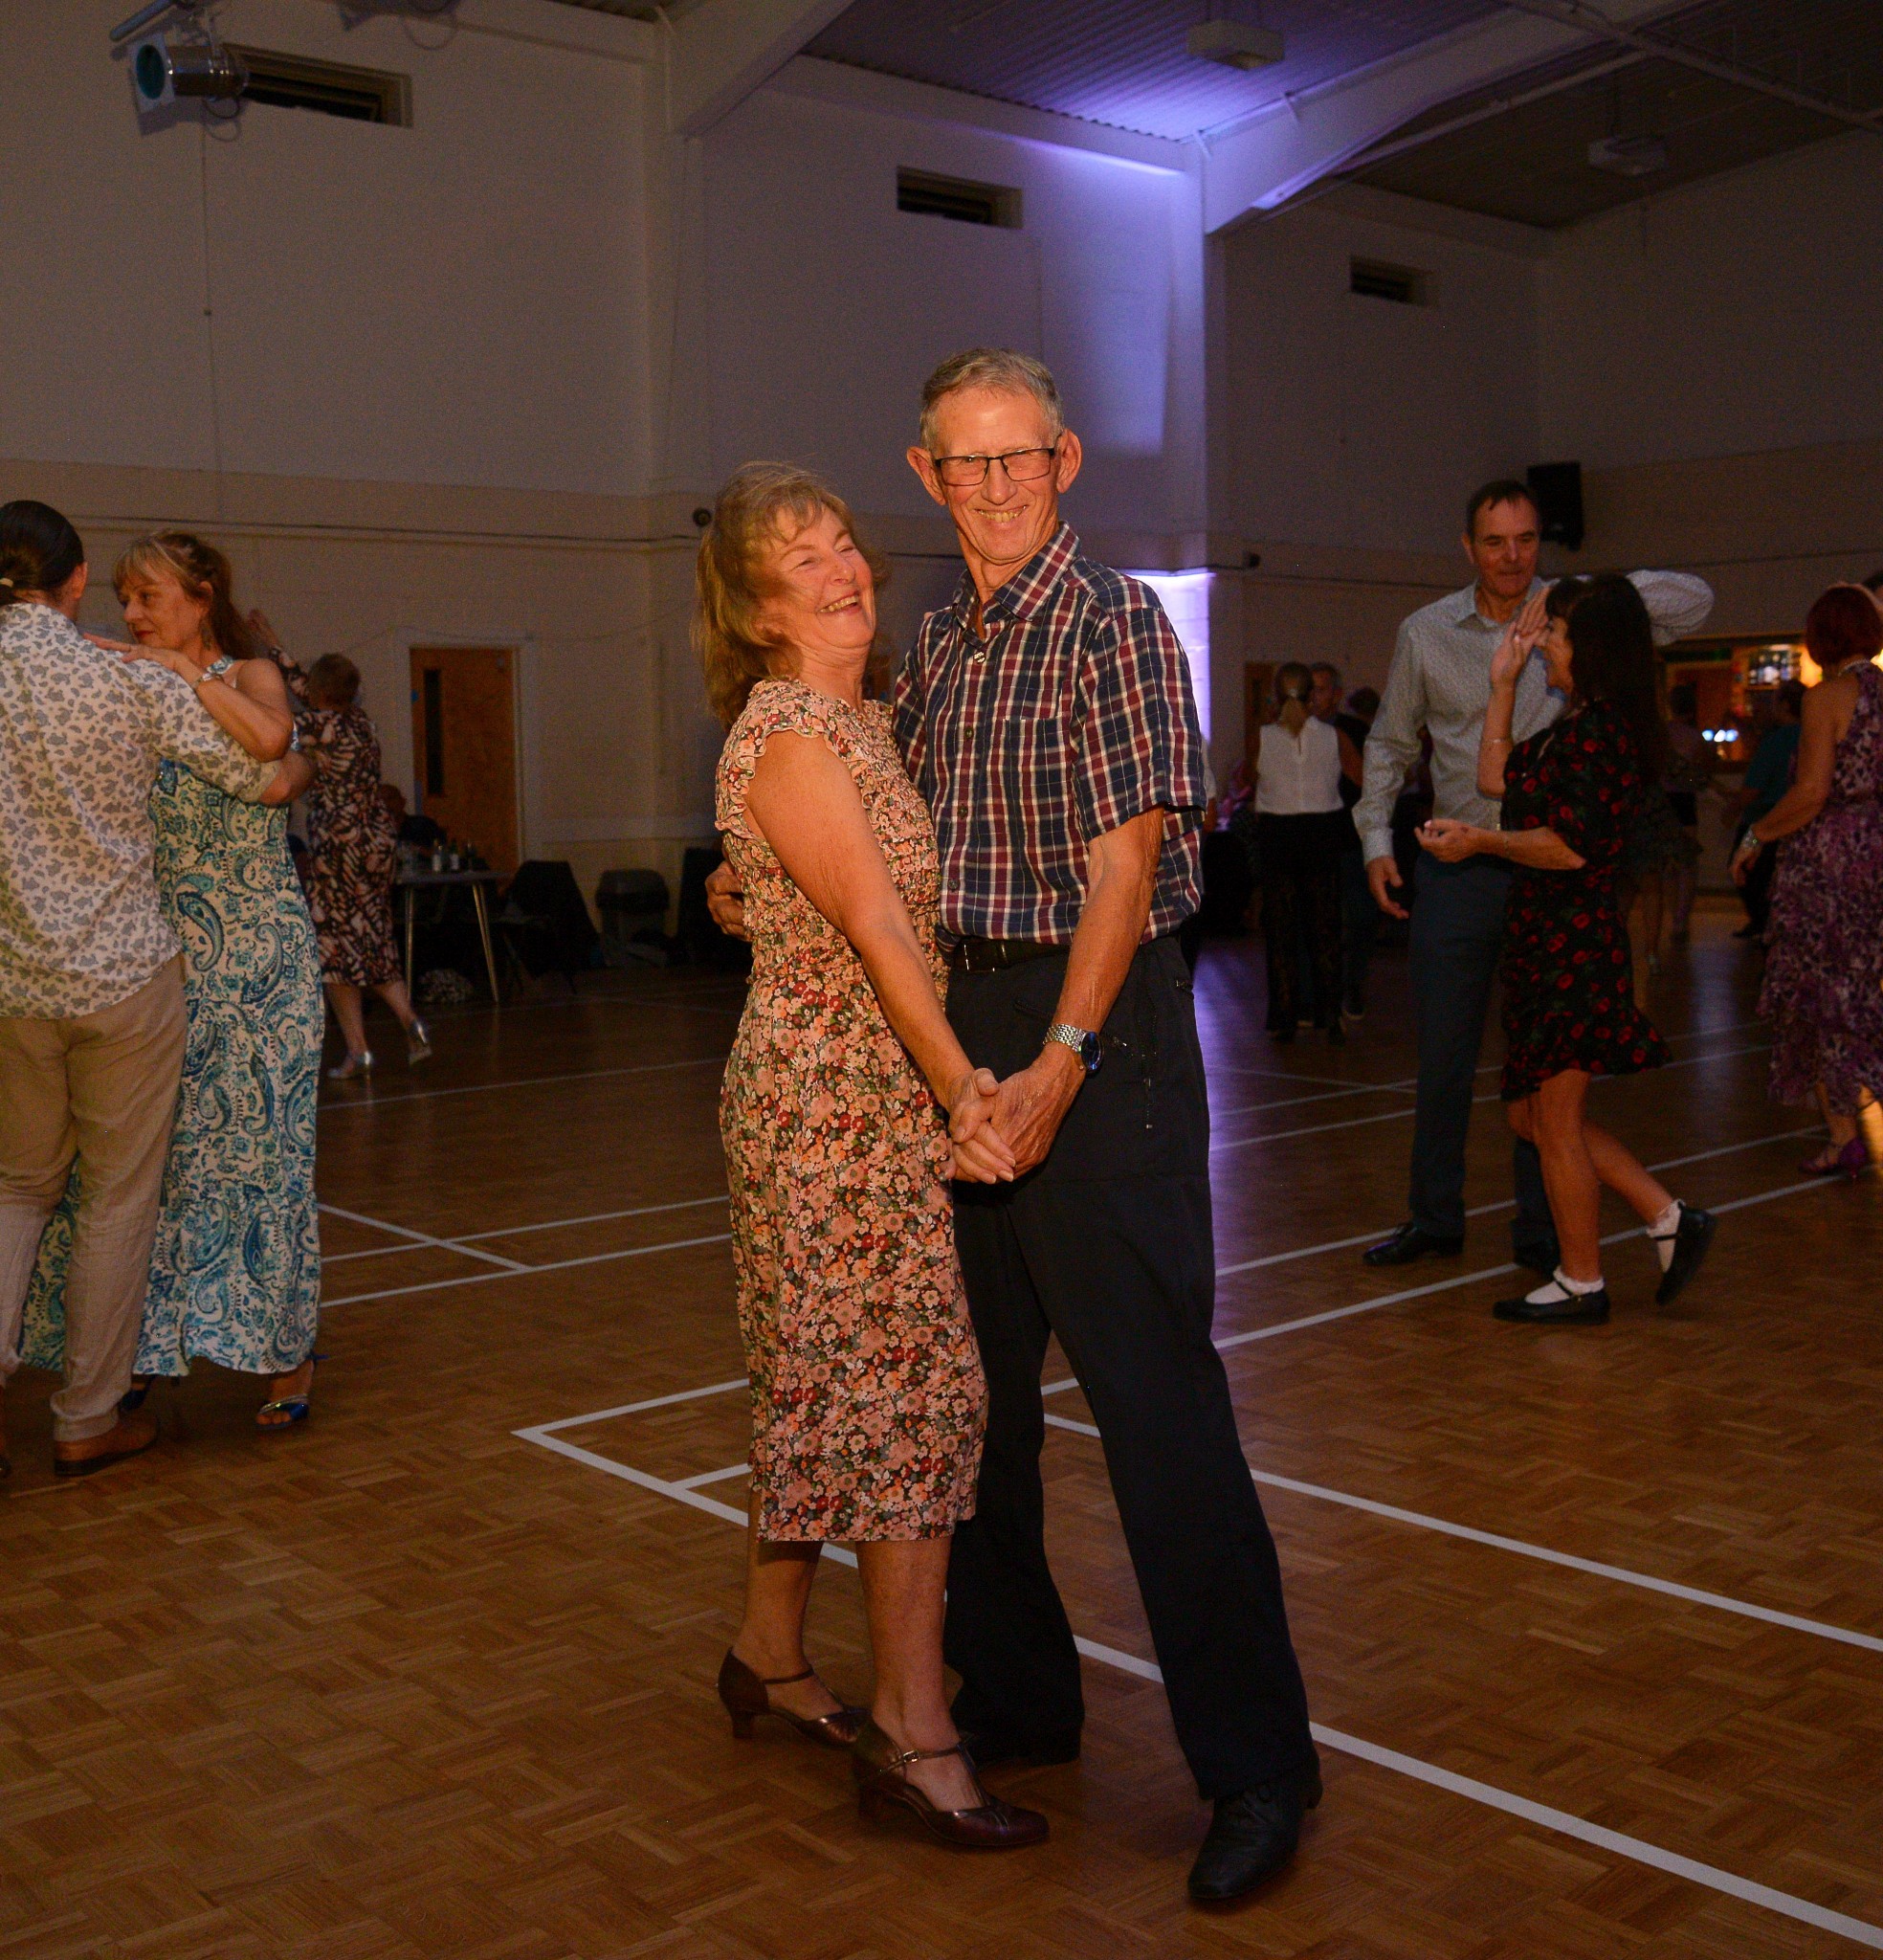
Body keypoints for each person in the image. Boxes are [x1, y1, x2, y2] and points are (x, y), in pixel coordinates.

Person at [898, 348, 1318, 1904]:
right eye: (967, 462)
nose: (996, 485)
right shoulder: (936, 644)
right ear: (928, 475)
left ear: (1064, 461)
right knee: (979, 1407)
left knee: (1157, 1412)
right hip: (972, 1028)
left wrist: (1061, 1062)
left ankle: (1258, 1766)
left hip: (1098, 1025)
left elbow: (1127, 868)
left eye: (1021, 456)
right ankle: (1021, 1692)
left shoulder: (1114, 622)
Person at [700, 460, 1044, 1854]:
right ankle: (914, 1732)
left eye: (842, 542)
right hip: (830, 1109)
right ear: (760, 612)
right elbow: (882, 931)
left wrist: (743, 888)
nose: (843, 570)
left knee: (826, 1384)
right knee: (912, 1404)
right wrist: (967, 1089)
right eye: (804, 562)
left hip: (863, 1096)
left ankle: (768, 1654)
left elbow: (815, 883)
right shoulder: (791, 734)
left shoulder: (866, 720)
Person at [0, 501, 299, 1478]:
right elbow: (261, 773)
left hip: (14, 979)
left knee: (16, 1189)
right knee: (117, 1200)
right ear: (76, 580)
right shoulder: (115, 676)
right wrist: (302, 757)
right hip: (126, 971)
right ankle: (87, 1417)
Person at [1354, 478, 1713, 1273]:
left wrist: (1590, 593)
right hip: (1458, 869)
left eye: (1526, 540)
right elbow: (1390, 744)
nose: (1513, 557)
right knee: (1445, 1059)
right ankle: (1435, 1218)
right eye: (1495, 542)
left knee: (1542, 1068)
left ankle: (1547, 1231)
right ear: (1467, 548)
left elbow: (1695, 603)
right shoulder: (1426, 632)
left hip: (1552, 877)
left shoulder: (1573, 620)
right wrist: (1376, 840)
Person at [1418, 574, 1717, 1324]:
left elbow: (1572, 848)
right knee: (1531, 1119)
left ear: (1592, 647)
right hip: (1545, 942)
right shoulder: (1575, 726)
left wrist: (1481, 842)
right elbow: (1493, 776)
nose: (1542, 643)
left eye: (1553, 633)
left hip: (1573, 948)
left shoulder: (1602, 733)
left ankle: (1582, 1281)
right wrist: (1502, 683)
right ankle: (1668, 1216)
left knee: (1552, 1122)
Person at [1734, 585, 1883, 1178]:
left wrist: (1756, 836)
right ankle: (1846, 1136)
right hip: (1876, 853)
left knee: (1820, 998)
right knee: (1858, 990)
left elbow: (1812, 792)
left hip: (1831, 862)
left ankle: (1844, 1137)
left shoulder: (1828, 699)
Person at [288, 653, 432, 1079]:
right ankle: (408, 1020)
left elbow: (274, 725)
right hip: (376, 840)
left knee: (332, 946)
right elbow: (307, 691)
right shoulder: (362, 723)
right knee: (373, 935)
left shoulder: (316, 725)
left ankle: (358, 1049)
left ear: (319, 690)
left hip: (339, 844)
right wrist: (274, 647)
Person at [1254, 662, 1351, 1043]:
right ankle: (1331, 1016)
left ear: (1276, 697)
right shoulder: (1334, 736)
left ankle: (1284, 1018)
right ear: (1312, 696)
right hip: (1321, 835)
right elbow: (1360, 775)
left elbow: (1246, 778)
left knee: (1281, 932)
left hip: (1277, 836)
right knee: (1325, 929)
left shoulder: (1261, 737)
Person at [1732, 680, 1803, 938]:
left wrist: (1734, 808)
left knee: (1745, 871)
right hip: (1799, 818)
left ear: (1784, 705)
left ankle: (1764, 928)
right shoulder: (1812, 734)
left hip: (1765, 819)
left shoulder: (1776, 740)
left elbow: (1754, 786)